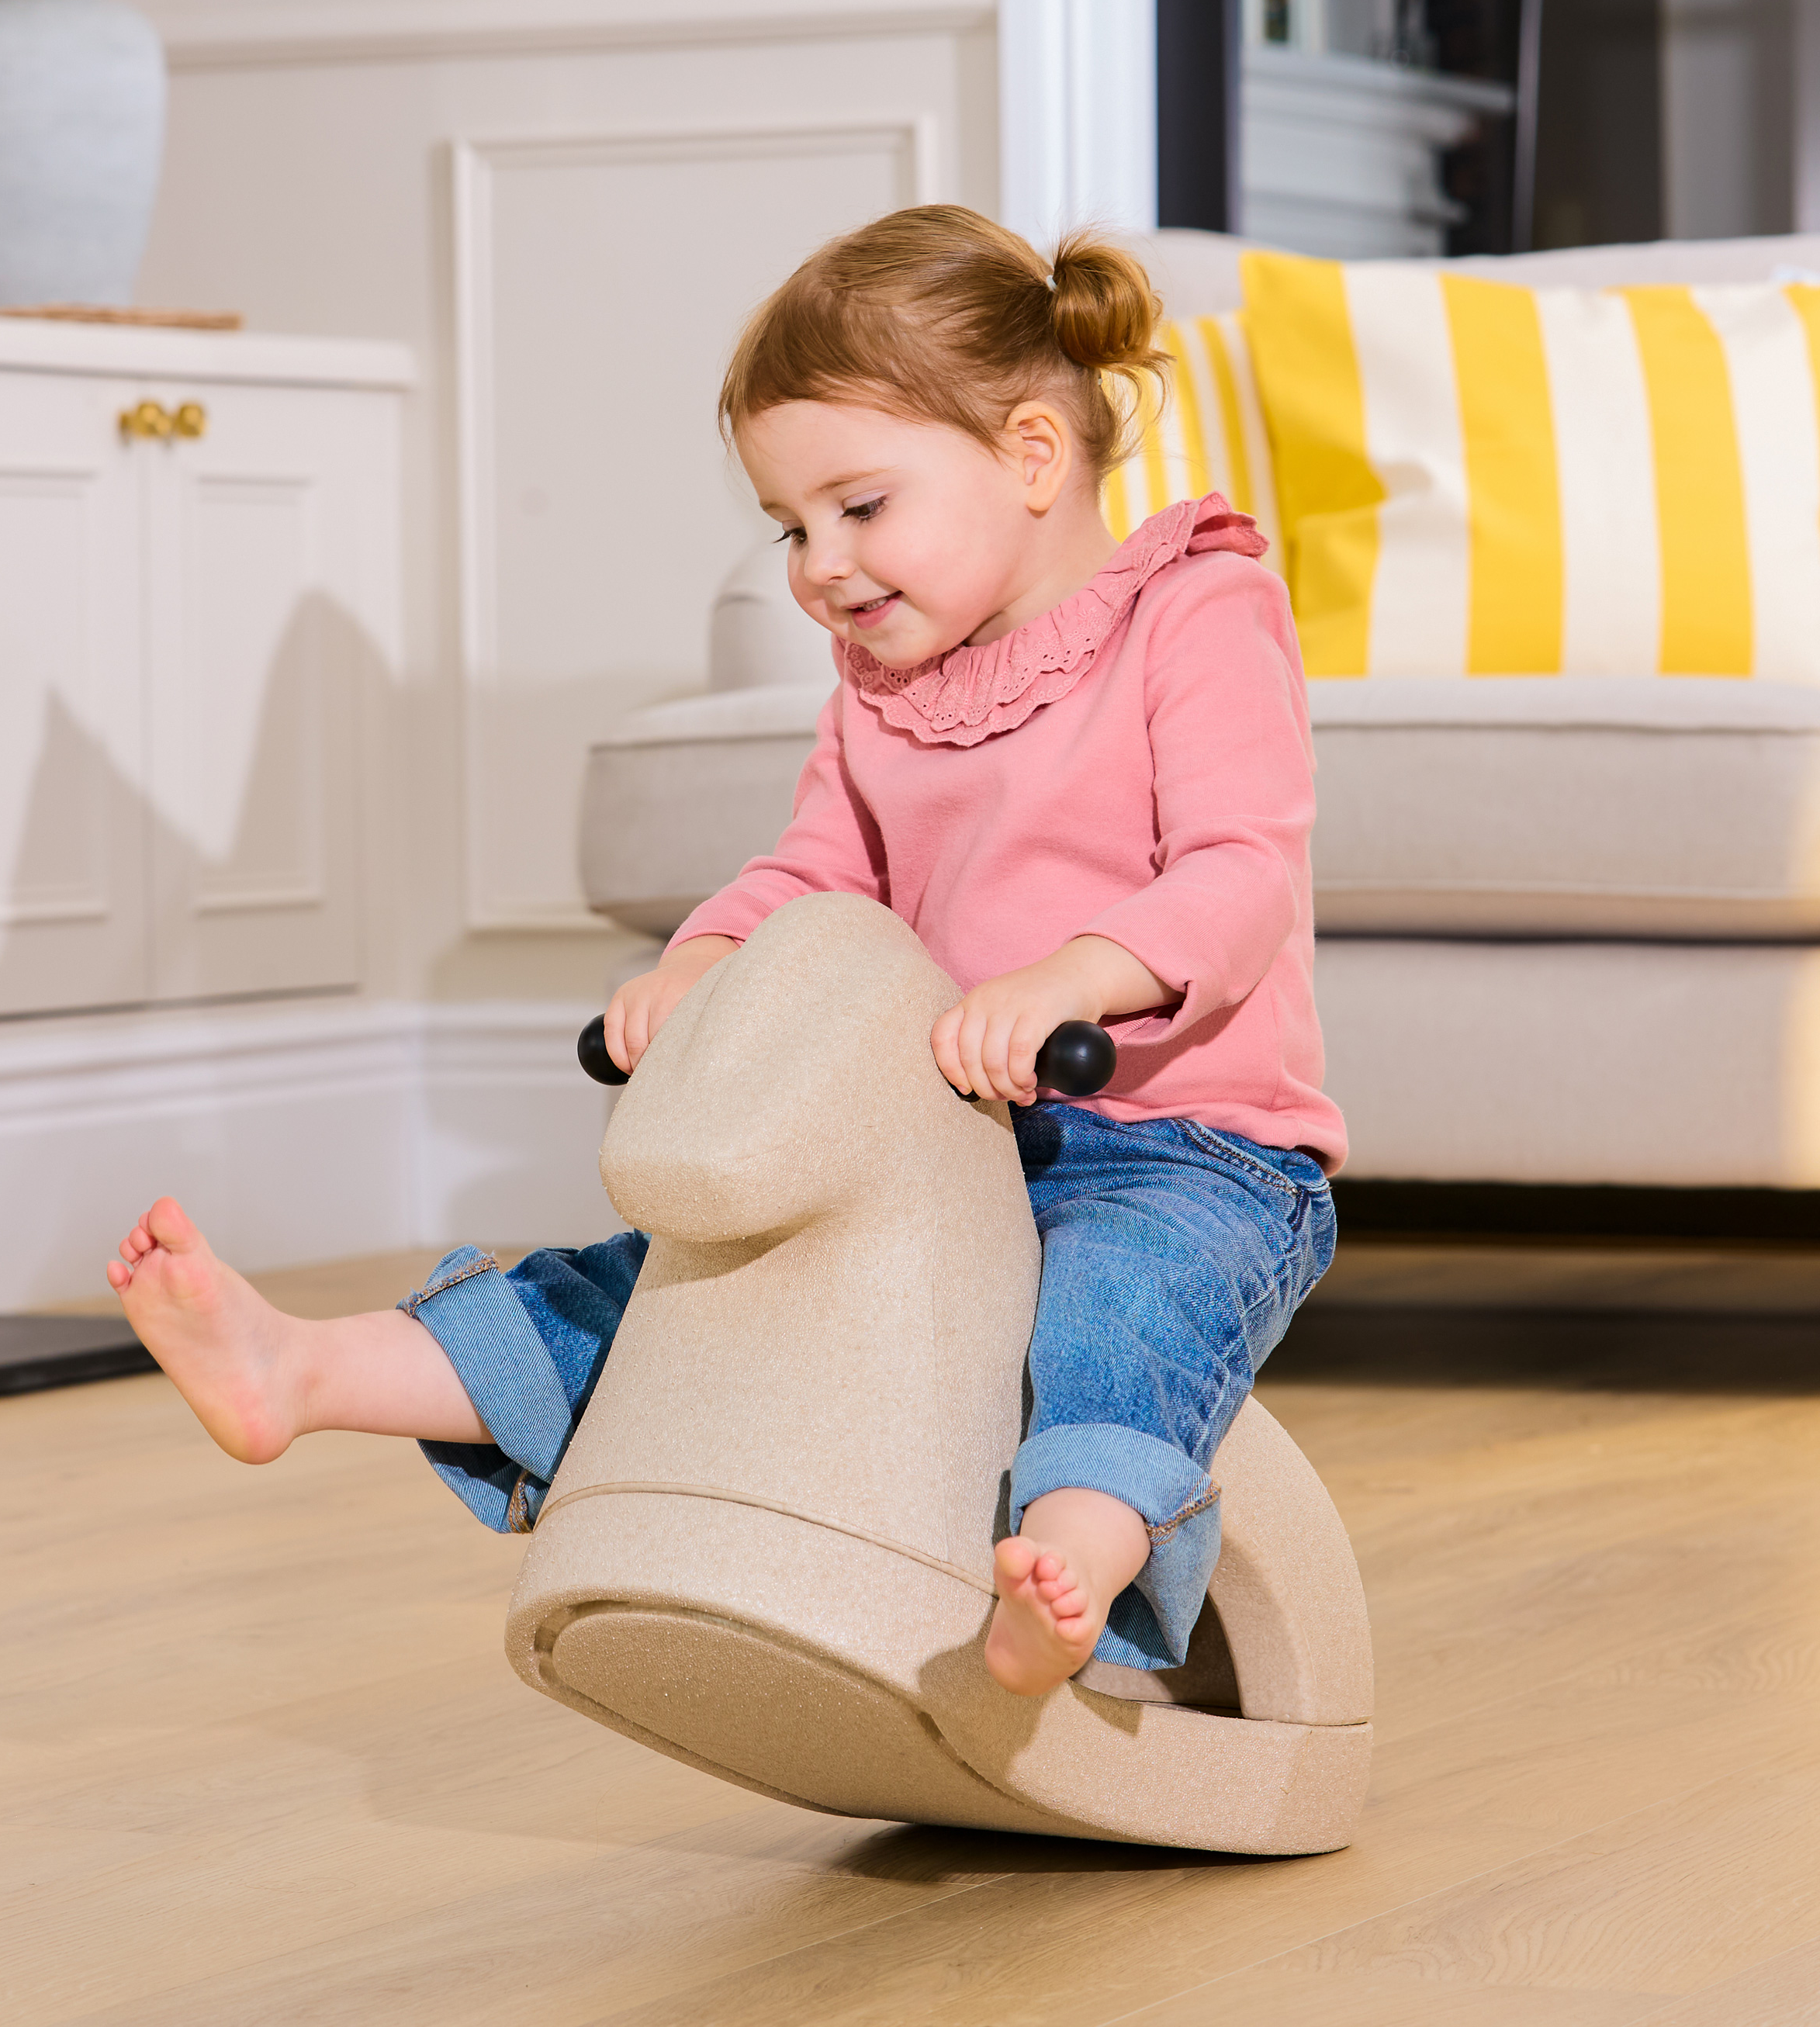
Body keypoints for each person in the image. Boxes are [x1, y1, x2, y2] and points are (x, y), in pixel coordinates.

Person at [109, 204, 1344, 1700]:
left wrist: (1078, 976)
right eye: (791, 526)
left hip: (1185, 1148)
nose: (822, 564)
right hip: (944, 1136)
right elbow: (815, 871)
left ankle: (1067, 1569)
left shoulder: (1197, 610)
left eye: (860, 505)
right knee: (675, 1287)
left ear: (1031, 454)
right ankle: (304, 1373)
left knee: (1124, 1312)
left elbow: (1238, 873)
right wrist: (703, 962)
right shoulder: (882, 686)